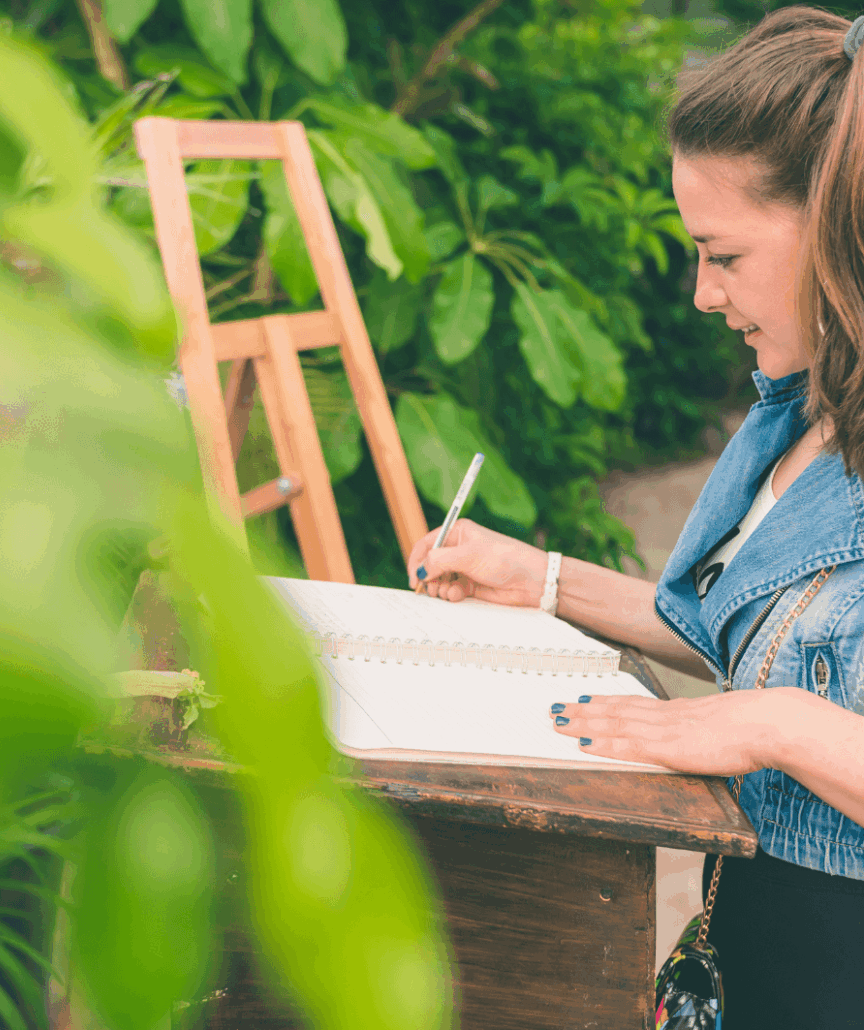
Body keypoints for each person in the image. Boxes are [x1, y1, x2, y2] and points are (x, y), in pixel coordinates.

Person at [407, 6, 864, 1028]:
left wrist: (772, 726)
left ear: (843, 229)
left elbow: (770, 702)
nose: (702, 292)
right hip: (753, 939)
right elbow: (742, 638)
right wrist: (543, 580)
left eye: (725, 255)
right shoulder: (799, 413)